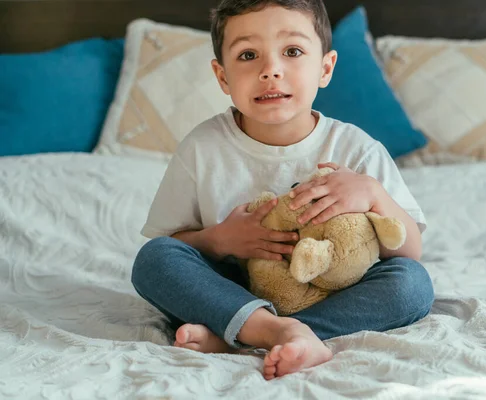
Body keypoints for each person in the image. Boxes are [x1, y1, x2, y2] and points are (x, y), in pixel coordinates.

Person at [131, 0, 434, 380]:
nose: (270, 70)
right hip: (233, 290)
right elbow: (173, 241)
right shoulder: (202, 148)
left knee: (412, 284)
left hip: (333, 293)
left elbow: (410, 252)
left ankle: (250, 337)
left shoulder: (357, 150)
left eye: (292, 51)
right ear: (222, 77)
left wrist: (373, 193)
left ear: (325, 68)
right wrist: (221, 240)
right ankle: (278, 332)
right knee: (153, 259)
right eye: (248, 55)